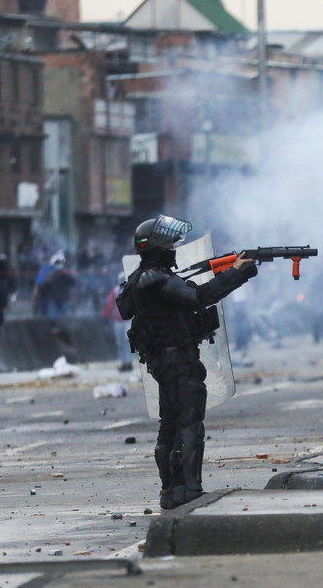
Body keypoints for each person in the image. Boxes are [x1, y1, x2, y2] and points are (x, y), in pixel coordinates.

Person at [116, 215, 260, 509]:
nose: (173, 248)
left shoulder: (140, 281)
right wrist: (236, 273)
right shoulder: (158, 280)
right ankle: (188, 489)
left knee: (169, 426)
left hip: (163, 362)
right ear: (154, 248)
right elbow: (199, 297)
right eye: (168, 243)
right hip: (178, 361)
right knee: (189, 424)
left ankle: (171, 489)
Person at [103, 275, 134, 372]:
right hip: (118, 321)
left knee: (127, 342)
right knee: (120, 344)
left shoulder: (132, 290)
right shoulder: (115, 291)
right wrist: (106, 317)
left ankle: (129, 362)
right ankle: (124, 363)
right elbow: (109, 305)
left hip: (128, 320)